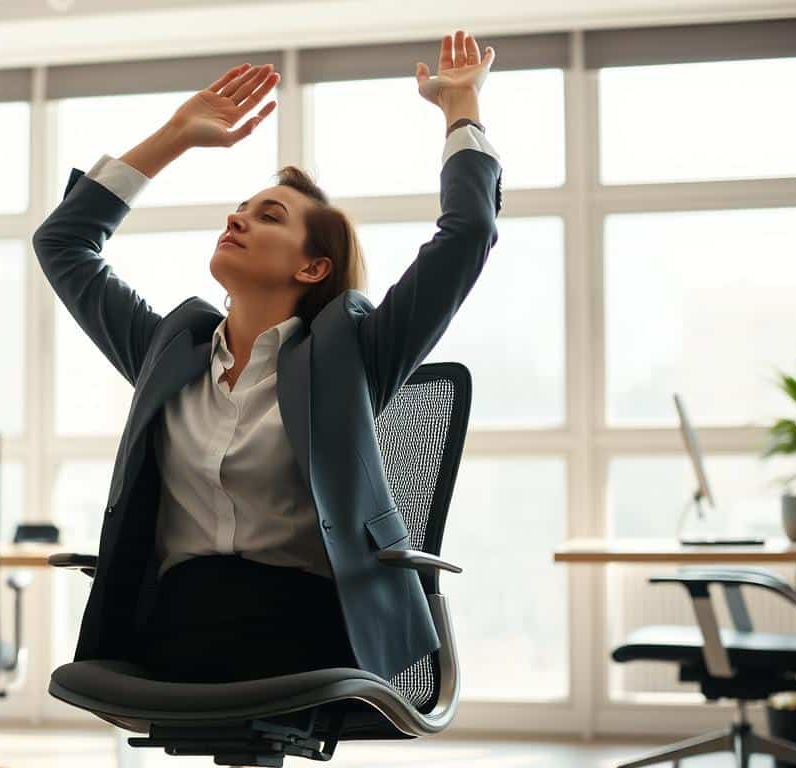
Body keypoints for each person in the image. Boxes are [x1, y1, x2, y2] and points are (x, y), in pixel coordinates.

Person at [34, 29, 502, 684]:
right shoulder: (168, 353)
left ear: (314, 266)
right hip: (173, 627)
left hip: (299, 630)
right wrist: (175, 134)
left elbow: (468, 233)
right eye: (240, 208)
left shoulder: (354, 358)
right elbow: (63, 245)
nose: (238, 219)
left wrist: (460, 108)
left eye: (269, 215)